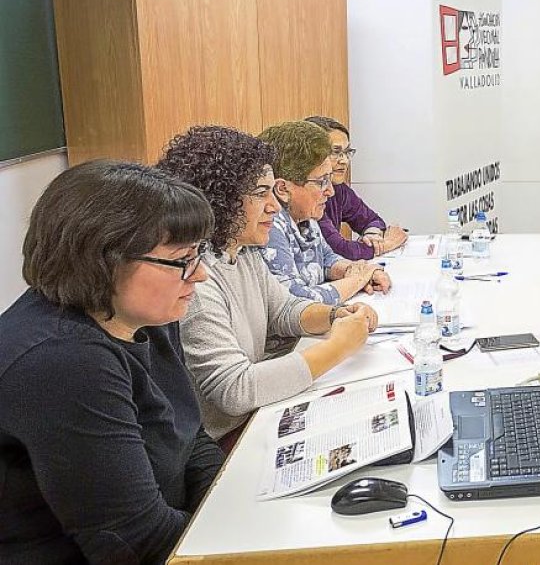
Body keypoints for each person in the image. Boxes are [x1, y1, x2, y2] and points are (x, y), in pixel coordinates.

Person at [0, 160, 225, 563]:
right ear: (104, 261)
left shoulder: (146, 315)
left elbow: (190, 439)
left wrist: (231, 508)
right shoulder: (62, 360)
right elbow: (134, 541)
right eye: (182, 259)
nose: (201, 274)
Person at [158, 126, 378, 447]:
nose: (274, 206)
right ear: (223, 199)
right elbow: (235, 390)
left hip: (258, 417)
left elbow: (284, 309)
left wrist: (335, 316)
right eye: (262, 193)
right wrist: (339, 347)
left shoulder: (242, 251)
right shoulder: (197, 279)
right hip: (229, 439)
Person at [259, 120, 392, 303]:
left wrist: (353, 270)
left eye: (329, 179)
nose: (330, 191)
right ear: (283, 189)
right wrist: (359, 279)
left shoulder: (305, 215)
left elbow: (326, 259)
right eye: (321, 182)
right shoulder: (270, 223)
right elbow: (294, 300)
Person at [305, 115, 408, 259]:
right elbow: (338, 250)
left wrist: (372, 235)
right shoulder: (306, 195)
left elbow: (372, 219)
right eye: (336, 152)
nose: (344, 161)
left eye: (347, 152)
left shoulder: (338, 188)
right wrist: (386, 244)